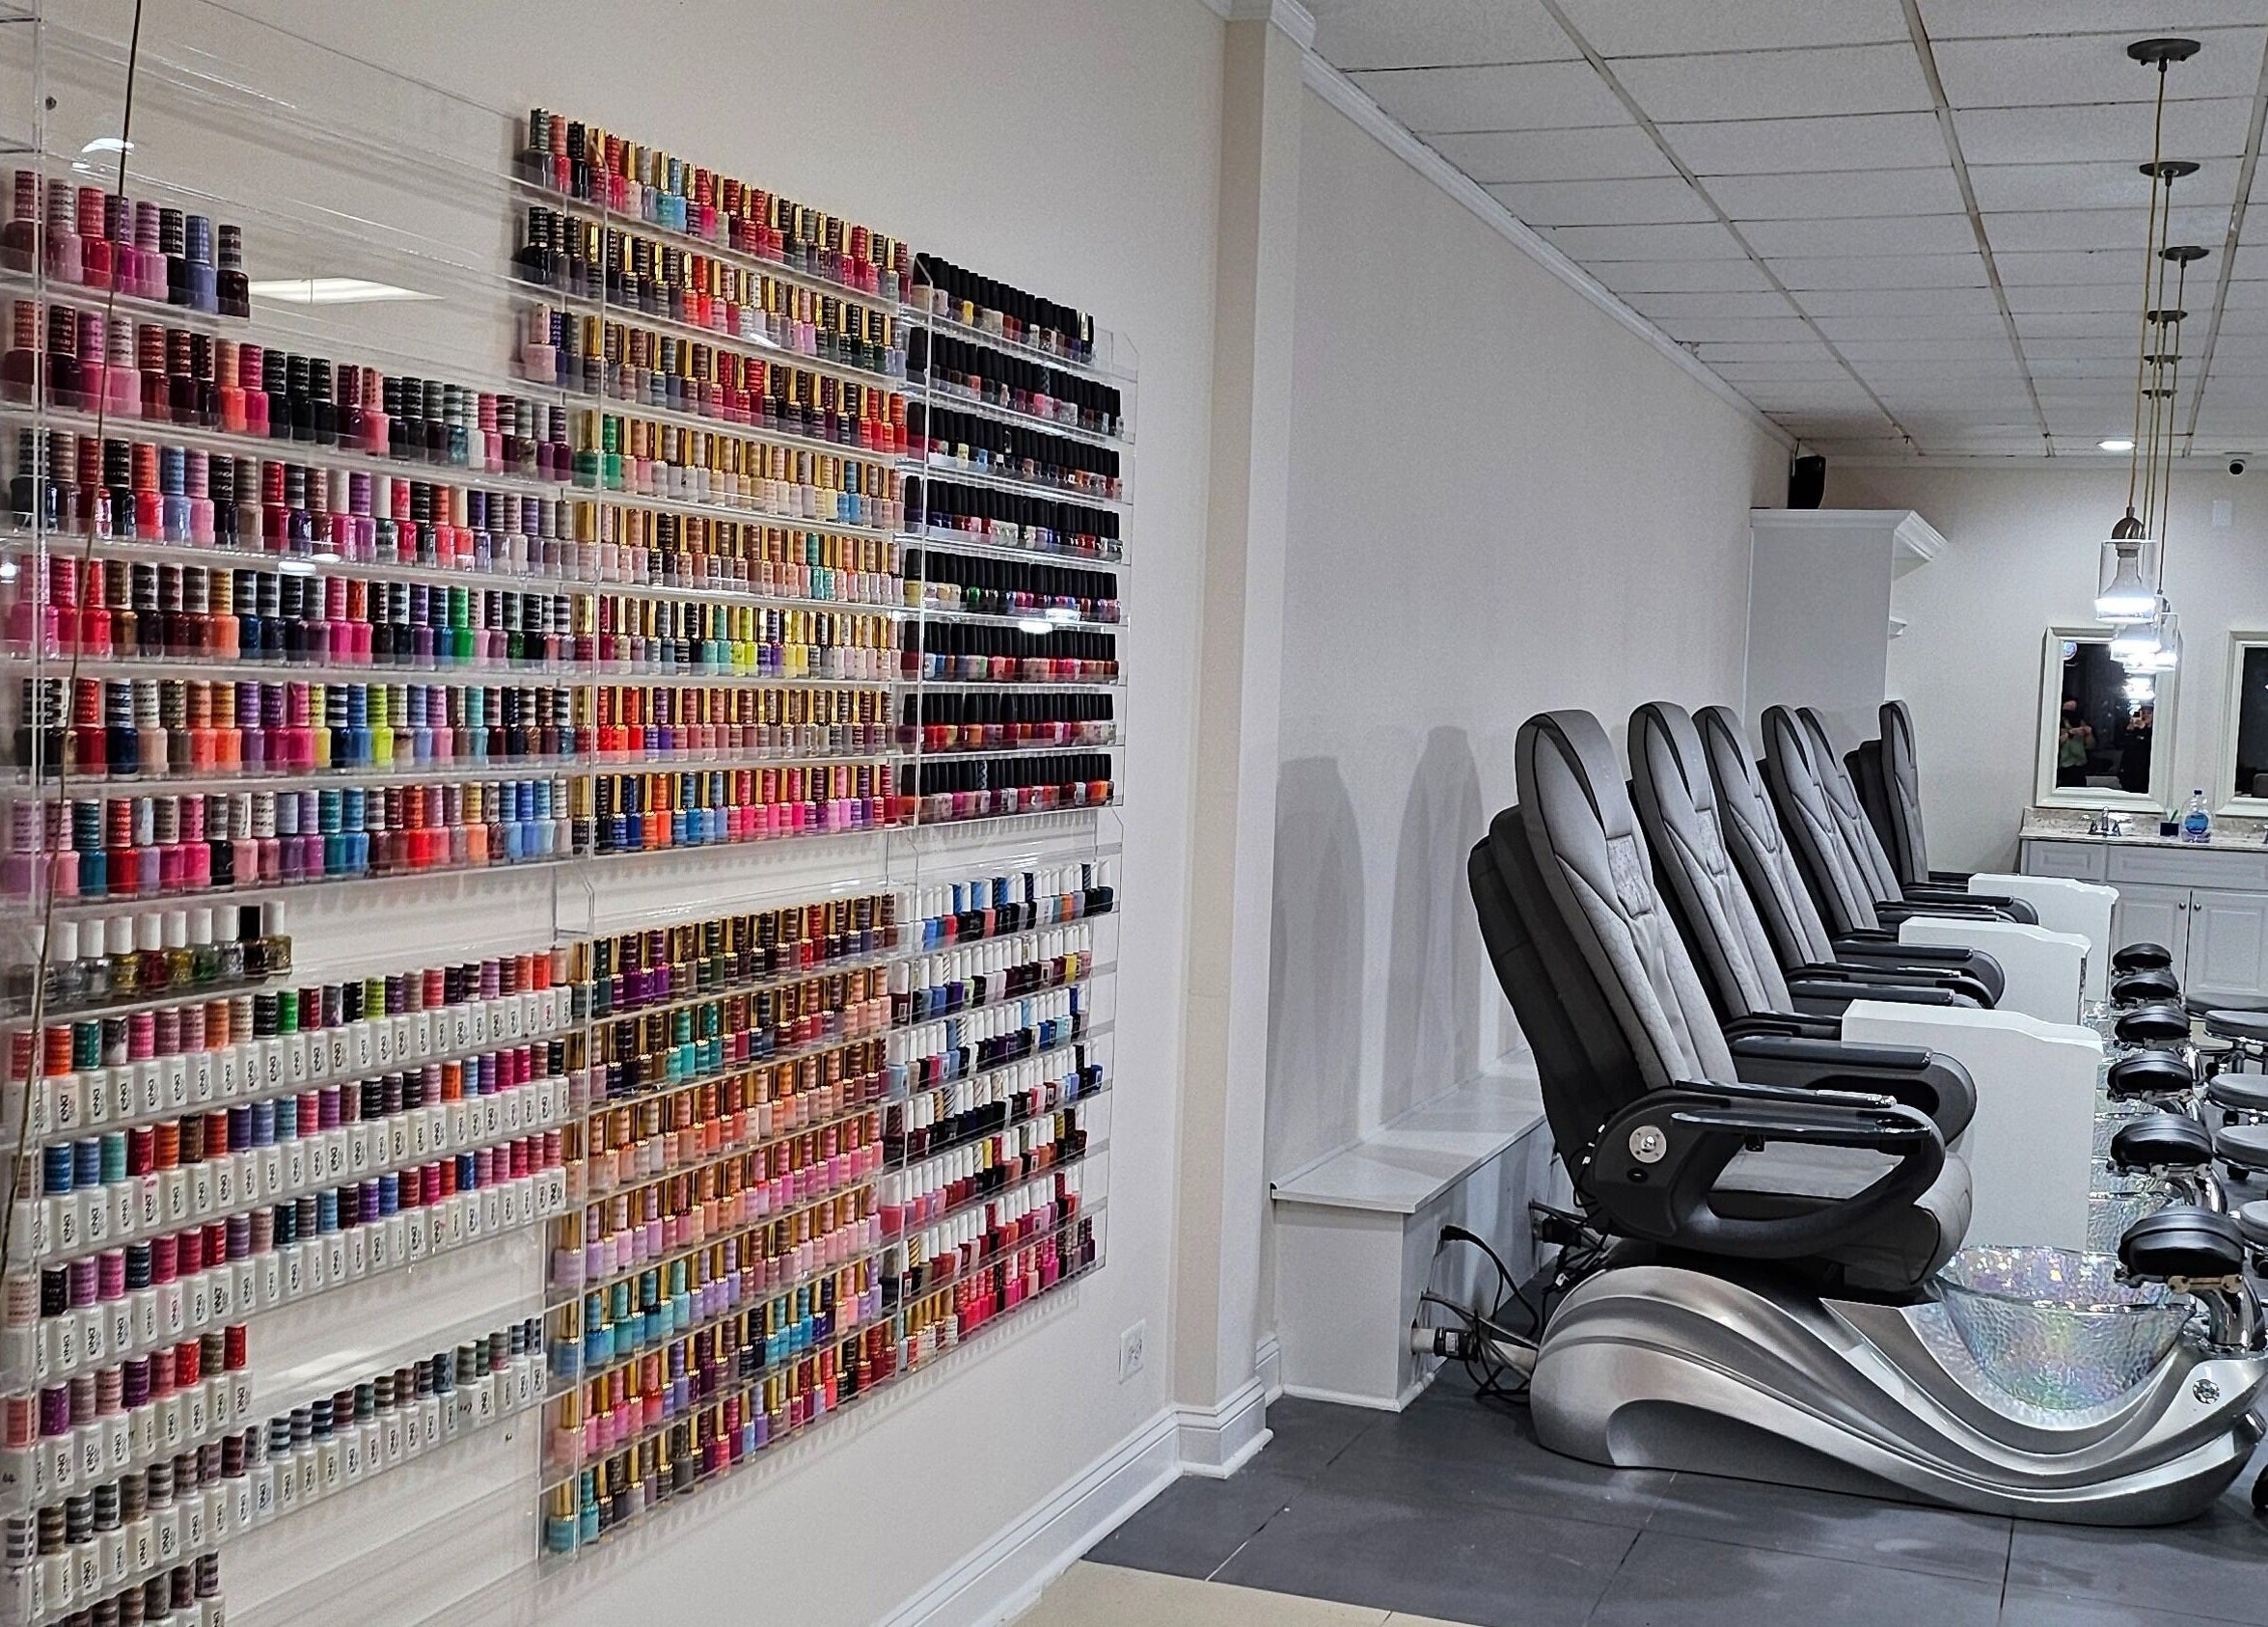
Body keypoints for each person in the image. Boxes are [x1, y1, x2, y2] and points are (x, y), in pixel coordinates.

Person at [2118, 701, 2154, 794]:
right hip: (2130, 772)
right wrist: (2130, 730)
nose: (2145, 716)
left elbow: (2150, 745)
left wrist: (2144, 728)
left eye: (2149, 713)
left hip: (2146, 773)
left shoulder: (2155, 731)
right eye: (2143, 713)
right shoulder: (2133, 730)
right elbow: (2122, 745)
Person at [2058, 698, 2094, 787]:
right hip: (2062, 768)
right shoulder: (2057, 723)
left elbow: (2091, 745)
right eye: (2068, 708)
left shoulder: (2082, 723)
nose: (2070, 712)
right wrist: (2069, 733)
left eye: (2073, 709)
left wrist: (2088, 733)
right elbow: (2055, 744)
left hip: (2079, 767)